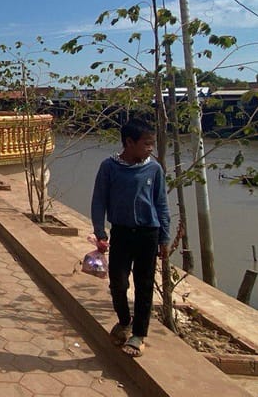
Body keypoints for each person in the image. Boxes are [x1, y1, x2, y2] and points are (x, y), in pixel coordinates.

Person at [91, 118, 170, 358]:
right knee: (118, 283)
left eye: (152, 144)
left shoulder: (154, 169)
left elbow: (161, 204)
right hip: (121, 233)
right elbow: (99, 201)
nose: (150, 149)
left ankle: (139, 334)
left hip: (148, 234)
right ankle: (124, 320)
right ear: (129, 142)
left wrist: (164, 238)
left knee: (144, 285)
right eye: (146, 144)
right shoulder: (109, 167)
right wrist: (100, 232)